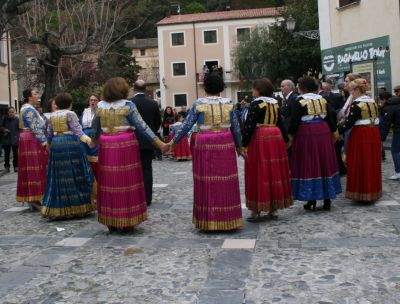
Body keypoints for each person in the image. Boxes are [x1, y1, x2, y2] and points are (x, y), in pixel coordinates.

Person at [164, 73, 243, 231]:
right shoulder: (229, 103)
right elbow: (236, 128)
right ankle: (228, 218)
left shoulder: (198, 104)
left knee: (206, 180)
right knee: (226, 180)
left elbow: (186, 125)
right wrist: (240, 147)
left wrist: (172, 143)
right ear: (221, 86)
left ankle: (208, 219)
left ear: (205, 87)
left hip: (205, 141)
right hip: (225, 141)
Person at [91, 77, 166, 233]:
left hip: (107, 145)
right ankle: (127, 220)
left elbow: (95, 130)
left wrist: (93, 142)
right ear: (123, 90)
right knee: (127, 181)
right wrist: (159, 144)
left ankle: (110, 219)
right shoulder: (128, 105)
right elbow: (142, 126)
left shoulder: (100, 107)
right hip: (125, 145)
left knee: (109, 181)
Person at [288, 76, 342, 211]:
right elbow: (331, 116)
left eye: (299, 86)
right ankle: (327, 198)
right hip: (322, 131)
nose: (297, 88)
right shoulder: (322, 99)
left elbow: (294, 120)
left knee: (309, 162)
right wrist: (334, 133)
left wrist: (289, 137)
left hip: (306, 132)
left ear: (304, 88)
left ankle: (311, 197)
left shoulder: (299, 100)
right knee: (324, 162)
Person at [242, 78, 292, 221]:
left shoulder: (255, 104)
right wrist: (286, 140)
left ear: (259, 89)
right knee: (273, 171)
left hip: (261, 137)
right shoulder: (276, 103)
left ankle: (256, 210)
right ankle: (274, 208)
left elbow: (249, 126)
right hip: (275, 137)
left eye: (253, 88)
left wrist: (243, 145)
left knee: (259, 171)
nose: (252, 90)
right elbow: (280, 123)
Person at [42, 93, 95, 219]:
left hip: (56, 145)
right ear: (70, 104)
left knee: (58, 175)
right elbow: (78, 131)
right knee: (74, 173)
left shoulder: (52, 115)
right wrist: (90, 142)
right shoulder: (70, 114)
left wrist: (49, 145)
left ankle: (57, 208)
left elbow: (49, 134)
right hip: (70, 144)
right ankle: (77, 207)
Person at [339, 79, 382, 202]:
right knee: (371, 161)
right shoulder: (372, 101)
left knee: (360, 160)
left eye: (352, 90)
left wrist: (337, 132)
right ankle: (372, 190)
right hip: (373, 132)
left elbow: (349, 122)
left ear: (357, 90)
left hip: (361, 133)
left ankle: (361, 191)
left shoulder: (357, 103)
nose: (351, 93)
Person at [130, 80, 162, 206]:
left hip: (132, 141)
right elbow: (157, 122)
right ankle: (147, 198)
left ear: (134, 89)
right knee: (147, 170)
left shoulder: (130, 103)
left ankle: (135, 197)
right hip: (148, 142)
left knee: (133, 170)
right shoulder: (153, 103)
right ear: (145, 89)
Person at [16, 89, 48, 211]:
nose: (38, 95)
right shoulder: (28, 109)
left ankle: (33, 198)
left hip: (28, 139)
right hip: (31, 139)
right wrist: (44, 142)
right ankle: (34, 199)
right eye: (35, 94)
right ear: (30, 97)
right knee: (35, 167)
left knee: (32, 168)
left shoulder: (28, 108)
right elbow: (35, 127)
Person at [380, 85, 400, 179]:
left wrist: (382, 137)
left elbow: (386, 124)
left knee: (395, 151)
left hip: (398, 131)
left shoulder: (390, 105)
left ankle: (398, 172)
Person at [81, 95, 99, 178]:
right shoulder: (85, 111)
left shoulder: (100, 111)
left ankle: (96, 177)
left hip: (95, 136)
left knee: (95, 158)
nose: (93, 102)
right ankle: (88, 178)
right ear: (89, 102)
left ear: (98, 102)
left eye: (95, 100)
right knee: (86, 158)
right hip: (84, 137)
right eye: (91, 100)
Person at [0, 107, 19, 173]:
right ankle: (7, 167)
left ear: (15, 112)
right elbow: (0, 127)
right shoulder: (4, 119)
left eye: (12, 112)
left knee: (16, 154)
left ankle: (16, 166)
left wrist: (18, 136)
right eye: (10, 112)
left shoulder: (17, 119)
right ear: (8, 112)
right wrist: (4, 130)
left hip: (15, 139)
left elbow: (20, 129)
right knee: (7, 155)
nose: (11, 113)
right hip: (6, 139)